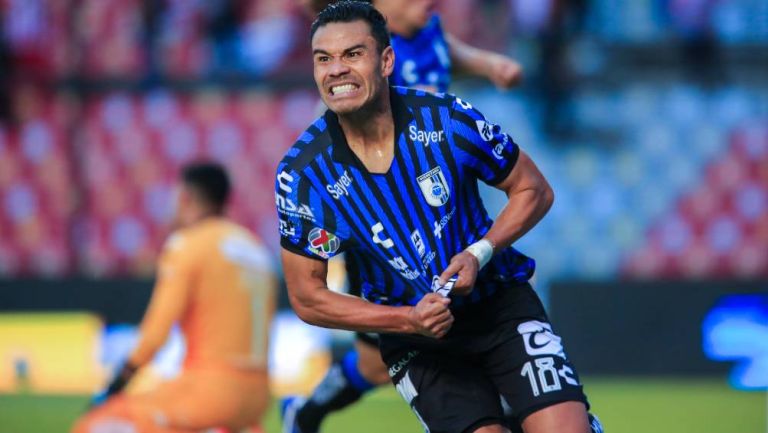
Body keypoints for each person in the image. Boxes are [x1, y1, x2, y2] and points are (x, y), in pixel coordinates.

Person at [277, 2, 594, 433]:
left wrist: (479, 253)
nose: (336, 70)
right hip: (416, 341)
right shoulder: (302, 175)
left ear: (387, 61)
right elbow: (307, 296)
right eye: (323, 59)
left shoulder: (448, 118)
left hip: (498, 304)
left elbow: (533, 189)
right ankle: (311, 410)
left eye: (353, 54)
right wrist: (407, 320)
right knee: (375, 369)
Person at [73, 162, 276, 433]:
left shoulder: (187, 244)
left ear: (185, 197)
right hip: (258, 397)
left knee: (94, 425)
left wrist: (115, 386)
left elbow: (155, 335)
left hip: (210, 391)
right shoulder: (256, 251)